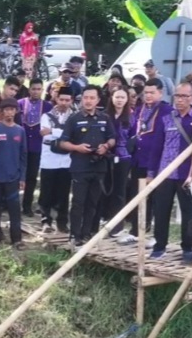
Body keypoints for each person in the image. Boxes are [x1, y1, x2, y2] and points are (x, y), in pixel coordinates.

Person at [59, 85, 115, 246]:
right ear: (81, 99)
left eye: (92, 98)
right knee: (78, 202)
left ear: (98, 100)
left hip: (99, 167)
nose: (88, 101)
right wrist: (77, 148)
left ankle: (87, 233)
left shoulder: (105, 118)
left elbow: (112, 138)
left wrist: (106, 146)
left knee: (93, 202)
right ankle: (74, 235)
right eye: (85, 98)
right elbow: (62, 142)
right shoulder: (74, 119)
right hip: (80, 166)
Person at [147, 82, 192, 261]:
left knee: (188, 212)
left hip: (187, 175)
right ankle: (159, 246)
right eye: (177, 96)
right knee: (161, 211)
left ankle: (188, 248)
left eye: (185, 96)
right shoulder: (167, 118)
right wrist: (151, 172)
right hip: (165, 172)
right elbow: (157, 146)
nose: (180, 100)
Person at [0, 97, 30, 247]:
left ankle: (16, 239)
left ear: (16, 111)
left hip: (13, 177)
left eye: (12, 110)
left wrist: (22, 177)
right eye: (6, 110)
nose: (9, 113)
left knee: (15, 210)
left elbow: (24, 156)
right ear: (2, 112)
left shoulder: (20, 130)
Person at [39, 86, 75, 233]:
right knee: (46, 191)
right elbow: (44, 134)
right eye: (61, 99)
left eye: (67, 100)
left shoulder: (74, 117)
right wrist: (64, 133)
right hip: (49, 158)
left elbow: (73, 135)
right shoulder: (46, 116)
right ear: (56, 99)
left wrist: (54, 131)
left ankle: (62, 221)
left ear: (71, 101)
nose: (64, 103)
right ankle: (45, 220)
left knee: (64, 192)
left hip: (67, 159)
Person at [102, 87, 134, 243]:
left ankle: (117, 225)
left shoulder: (132, 116)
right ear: (112, 98)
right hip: (105, 156)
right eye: (117, 97)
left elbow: (134, 138)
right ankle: (104, 218)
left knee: (119, 191)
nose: (119, 100)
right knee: (105, 189)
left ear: (127, 99)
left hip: (123, 157)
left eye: (122, 97)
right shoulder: (104, 115)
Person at [17, 78, 51, 216]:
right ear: (29, 89)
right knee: (15, 175)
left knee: (31, 177)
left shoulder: (48, 106)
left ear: (42, 90)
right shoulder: (20, 103)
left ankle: (27, 205)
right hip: (20, 145)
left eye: (39, 89)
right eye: (33, 89)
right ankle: (9, 204)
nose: (36, 92)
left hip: (37, 146)